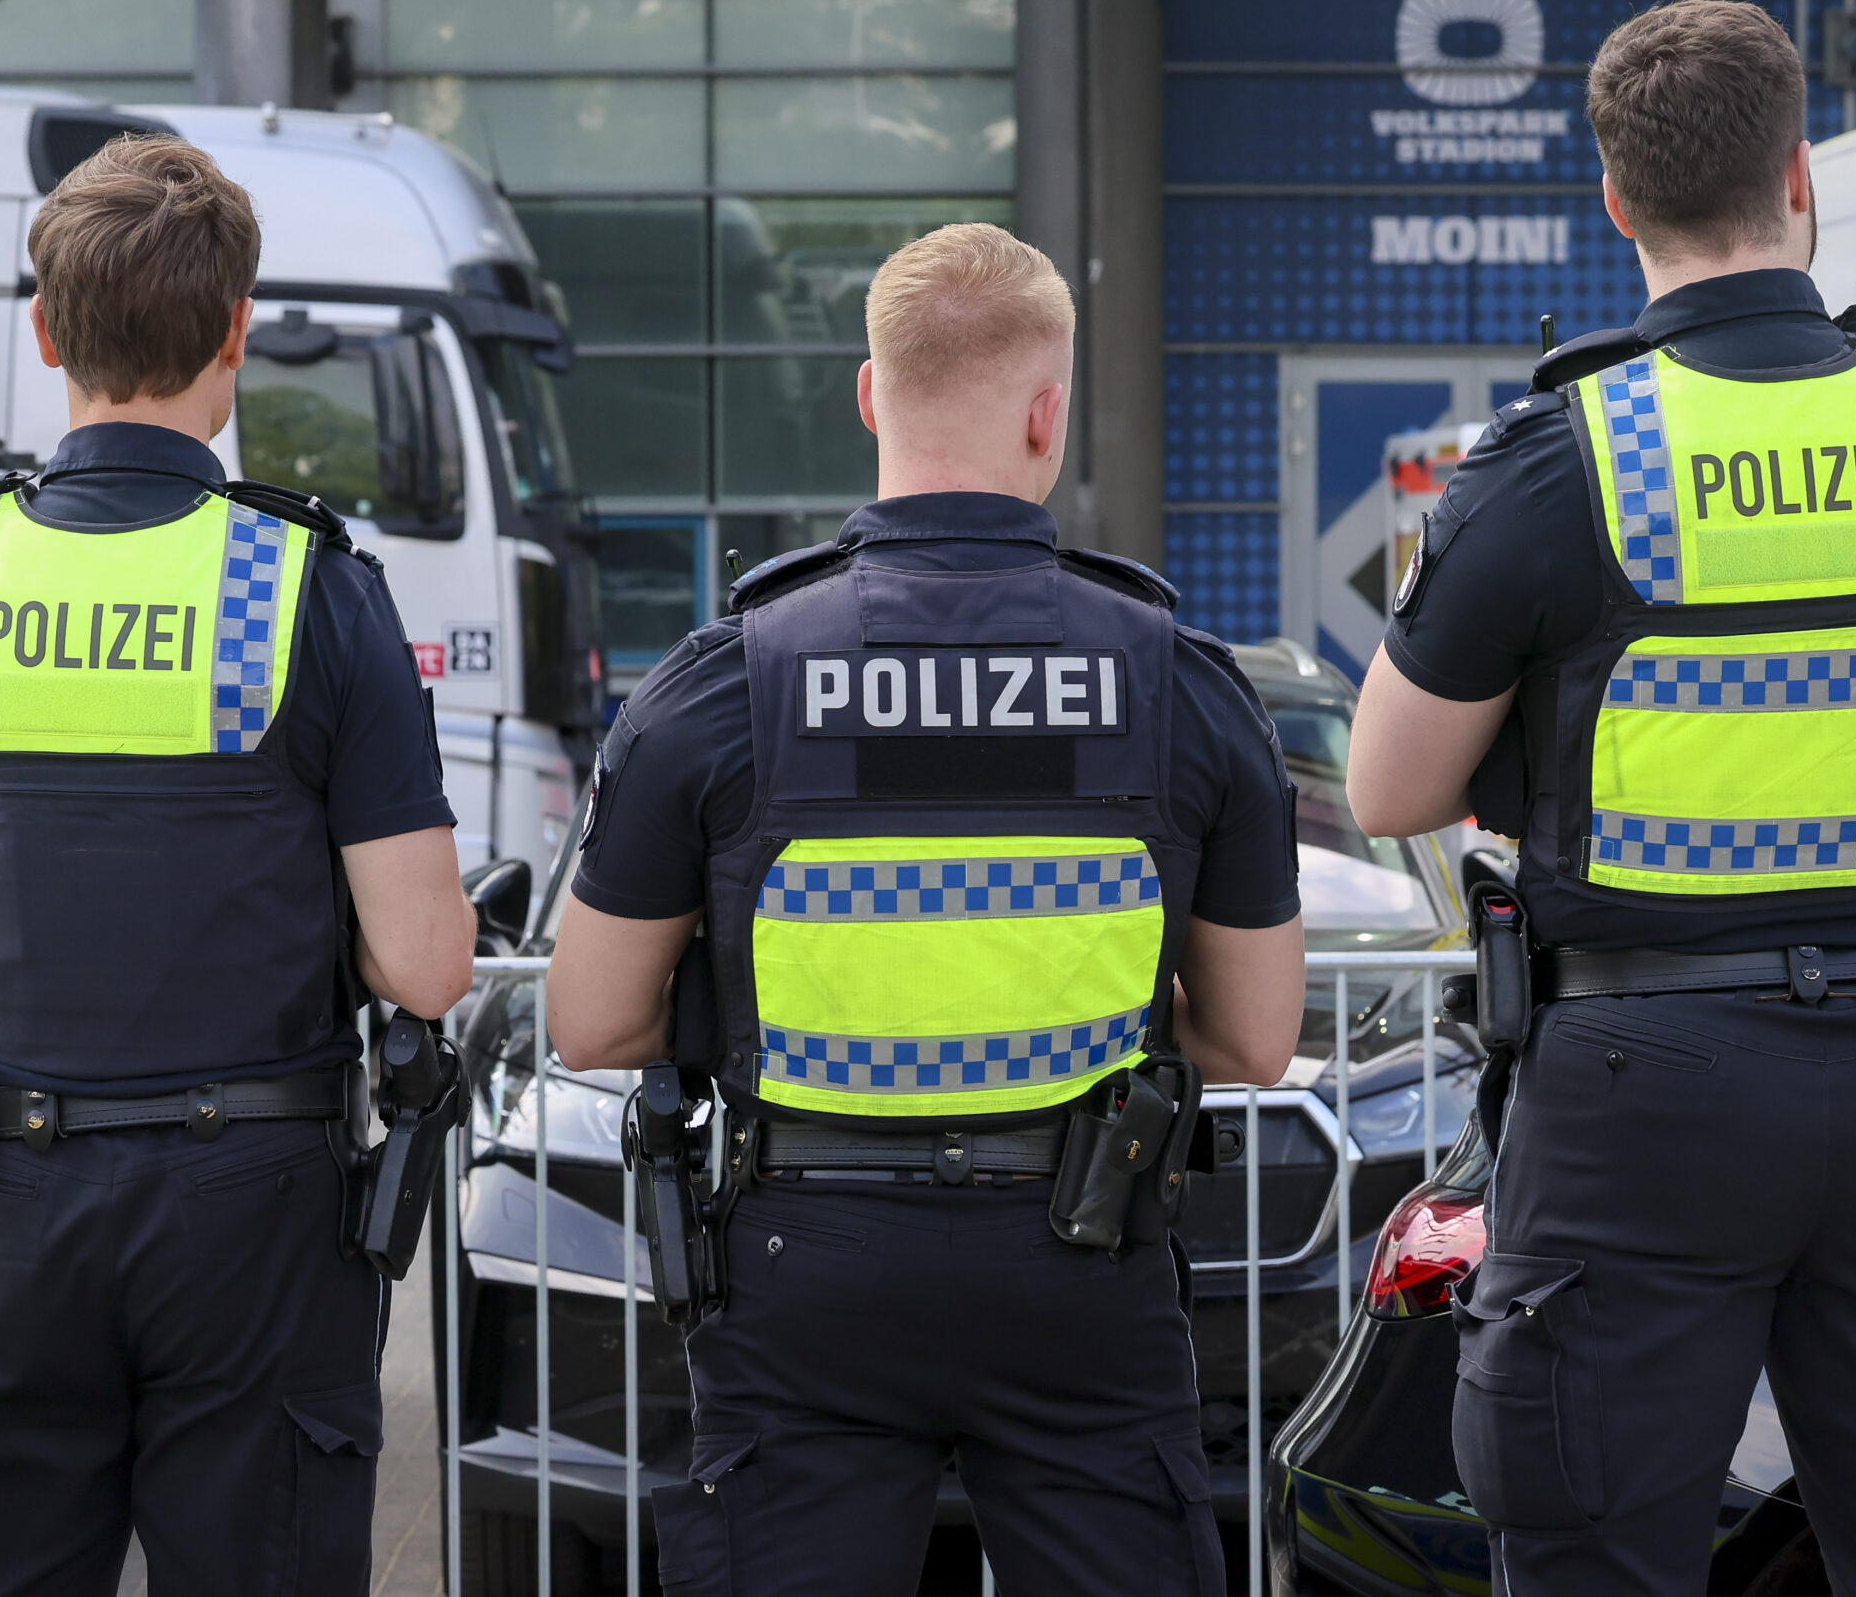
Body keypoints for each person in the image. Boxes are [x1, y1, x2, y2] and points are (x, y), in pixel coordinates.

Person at [1345, 0, 1856, 1597]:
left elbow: (1388, 782)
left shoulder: (1561, 457)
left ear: (1615, 199)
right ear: (1800, 173)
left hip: (1644, 1090)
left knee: (1596, 1549)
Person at [548, 222, 1307, 1595]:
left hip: (804, 1267)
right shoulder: (1177, 681)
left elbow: (592, 1022)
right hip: (1081, 1254)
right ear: (1048, 411)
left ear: (866, 395)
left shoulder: (724, 682)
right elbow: (1258, 1042)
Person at [0, 134, 475, 1596]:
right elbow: (427, 963)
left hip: (10, 1199)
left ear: (46, 334)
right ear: (238, 333)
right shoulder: (307, 586)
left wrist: (15, 1026)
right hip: (253, 1216)